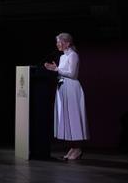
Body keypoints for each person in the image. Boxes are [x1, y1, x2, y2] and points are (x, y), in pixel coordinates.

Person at [44, 32, 89, 160]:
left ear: (67, 43)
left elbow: (72, 74)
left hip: (72, 88)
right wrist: (56, 69)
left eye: (60, 41)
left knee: (73, 117)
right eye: (57, 42)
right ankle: (73, 147)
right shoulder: (63, 57)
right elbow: (62, 72)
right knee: (66, 118)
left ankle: (77, 148)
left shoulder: (73, 55)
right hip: (63, 87)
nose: (58, 44)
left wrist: (56, 69)